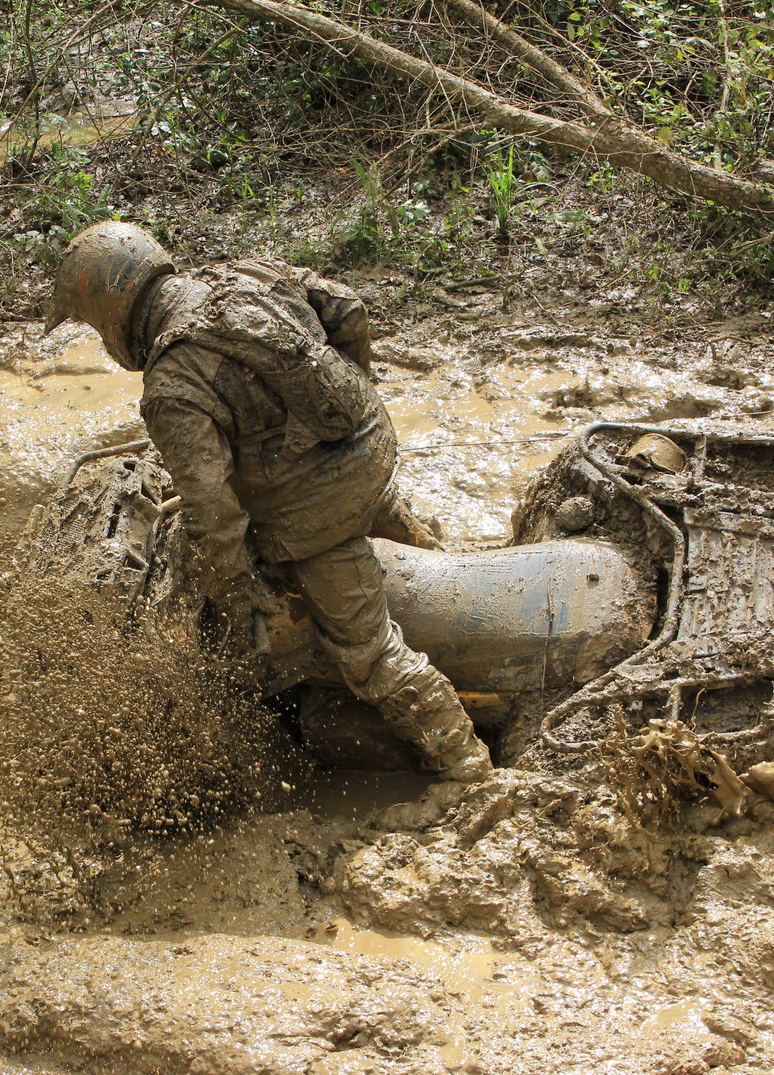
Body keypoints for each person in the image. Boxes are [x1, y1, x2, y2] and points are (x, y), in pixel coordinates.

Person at [45, 221, 492, 782]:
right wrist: (355, 397)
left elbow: (213, 512)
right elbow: (348, 310)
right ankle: (422, 542)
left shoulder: (171, 384)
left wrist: (239, 590)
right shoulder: (243, 274)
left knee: (369, 655)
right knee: (371, 505)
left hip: (317, 515)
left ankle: (469, 767)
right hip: (373, 445)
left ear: (111, 316)